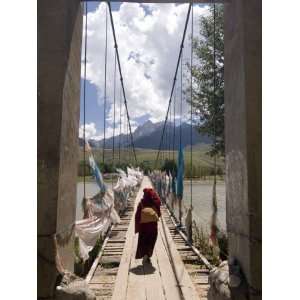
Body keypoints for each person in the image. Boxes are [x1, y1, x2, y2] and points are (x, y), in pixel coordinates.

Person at [135, 188, 161, 264]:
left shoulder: (141, 203)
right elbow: (159, 214)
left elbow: (137, 216)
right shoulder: (155, 203)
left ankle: (145, 255)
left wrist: (137, 227)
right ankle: (148, 255)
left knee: (143, 241)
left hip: (143, 227)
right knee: (151, 241)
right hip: (153, 228)